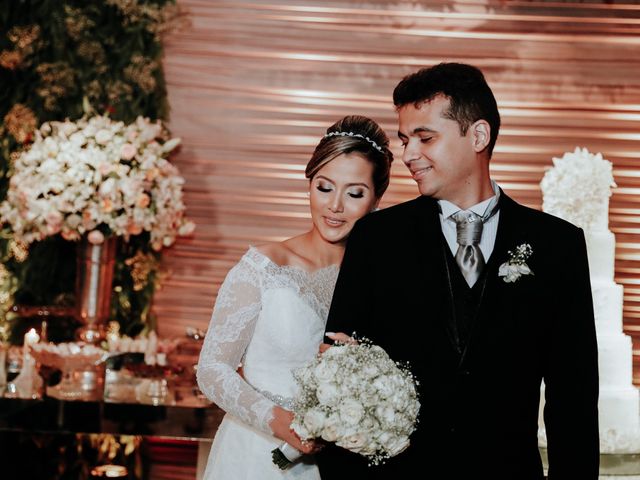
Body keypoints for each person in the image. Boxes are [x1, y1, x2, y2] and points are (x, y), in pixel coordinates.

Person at [317, 63, 599, 479]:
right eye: (405, 140)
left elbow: (572, 399)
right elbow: (338, 377)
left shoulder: (558, 246)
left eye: (425, 138)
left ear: (478, 136)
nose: (409, 154)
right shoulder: (377, 238)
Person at [196, 115, 393, 479]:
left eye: (354, 193)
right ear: (309, 184)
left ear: (376, 200)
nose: (335, 206)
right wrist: (280, 423)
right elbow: (211, 370)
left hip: (339, 466)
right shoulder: (263, 266)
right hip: (254, 454)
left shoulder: (381, 282)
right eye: (324, 187)